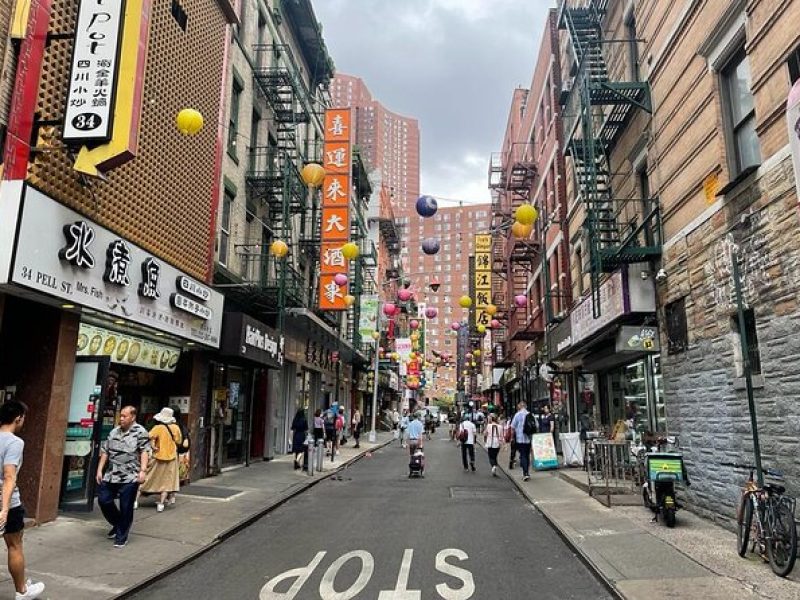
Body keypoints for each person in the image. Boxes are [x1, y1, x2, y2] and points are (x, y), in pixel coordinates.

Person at [0, 401, 46, 600]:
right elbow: (9, 476)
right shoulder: (14, 442)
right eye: (23, 418)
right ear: (18, 417)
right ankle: (22, 591)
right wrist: (4, 508)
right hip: (8, 501)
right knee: (14, 545)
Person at [96, 405, 150, 548]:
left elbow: (145, 451)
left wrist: (143, 471)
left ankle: (121, 536)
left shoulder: (141, 432)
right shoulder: (114, 431)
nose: (121, 419)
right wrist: (99, 470)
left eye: (125, 416)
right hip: (111, 474)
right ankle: (118, 523)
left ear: (133, 417)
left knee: (126, 506)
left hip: (130, 476)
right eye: (121, 416)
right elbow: (105, 451)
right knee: (104, 500)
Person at [138, 407, 182, 513]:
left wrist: (153, 446)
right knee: (167, 482)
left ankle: (135, 501)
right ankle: (161, 504)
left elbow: (149, 437)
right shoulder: (176, 428)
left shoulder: (157, 428)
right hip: (171, 458)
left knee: (147, 478)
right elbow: (179, 441)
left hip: (157, 456)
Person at [510, 401, 533, 481]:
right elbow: (535, 425)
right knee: (527, 455)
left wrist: (512, 437)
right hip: (528, 438)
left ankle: (525, 473)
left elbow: (512, 427)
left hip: (520, 438)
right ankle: (527, 472)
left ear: (520, 406)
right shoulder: (530, 414)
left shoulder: (517, 415)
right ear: (526, 406)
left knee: (522, 455)